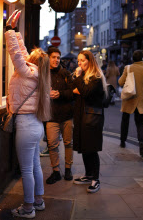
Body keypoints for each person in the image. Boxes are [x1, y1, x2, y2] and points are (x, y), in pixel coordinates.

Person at [5, 10, 51, 218]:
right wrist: (15, 31)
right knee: (34, 165)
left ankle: (28, 208)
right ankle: (38, 201)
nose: (25, 57)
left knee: (26, 170)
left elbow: (16, 53)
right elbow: (21, 52)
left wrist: (8, 30)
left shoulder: (27, 71)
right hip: (36, 125)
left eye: (29, 57)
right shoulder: (38, 74)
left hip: (25, 124)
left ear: (32, 61)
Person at [72, 50, 108, 193]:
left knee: (92, 148)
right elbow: (77, 90)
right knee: (85, 147)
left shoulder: (96, 77)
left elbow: (85, 92)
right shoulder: (86, 76)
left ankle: (95, 179)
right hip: (82, 116)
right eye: (78, 60)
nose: (79, 63)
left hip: (92, 118)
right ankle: (88, 175)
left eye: (82, 60)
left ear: (90, 61)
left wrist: (78, 78)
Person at [45, 46, 75, 184]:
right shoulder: (43, 75)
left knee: (68, 143)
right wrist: (47, 95)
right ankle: (56, 171)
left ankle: (68, 168)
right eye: (53, 57)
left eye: (58, 57)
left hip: (67, 115)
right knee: (52, 144)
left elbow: (73, 93)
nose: (56, 60)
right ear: (48, 58)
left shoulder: (66, 74)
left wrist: (60, 94)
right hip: (51, 116)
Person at [118, 50, 143, 156]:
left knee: (125, 120)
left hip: (129, 97)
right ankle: (141, 143)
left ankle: (123, 141)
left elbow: (120, 82)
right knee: (140, 123)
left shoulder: (128, 68)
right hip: (142, 99)